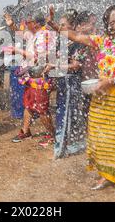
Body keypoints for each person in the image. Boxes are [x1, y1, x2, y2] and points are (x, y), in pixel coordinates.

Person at [47, 4, 115, 195]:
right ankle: (106, 174)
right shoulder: (104, 41)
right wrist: (54, 25)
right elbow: (74, 36)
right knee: (101, 137)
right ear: (109, 27)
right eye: (112, 21)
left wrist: (113, 80)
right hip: (101, 97)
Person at [6, 11, 56, 147]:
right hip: (31, 76)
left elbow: (36, 58)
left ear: (36, 24)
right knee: (28, 104)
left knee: (41, 109)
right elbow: (20, 33)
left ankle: (52, 134)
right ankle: (25, 131)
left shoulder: (44, 35)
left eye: (28, 22)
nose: (25, 25)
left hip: (41, 77)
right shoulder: (34, 34)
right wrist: (11, 26)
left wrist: (18, 52)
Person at [45, 10, 86, 158]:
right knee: (65, 112)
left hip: (72, 82)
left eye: (63, 25)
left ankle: (61, 148)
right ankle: (70, 145)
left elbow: (76, 65)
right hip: (63, 81)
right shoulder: (61, 40)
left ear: (73, 25)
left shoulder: (78, 42)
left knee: (66, 114)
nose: (60, 27)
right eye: (59, 24)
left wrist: (54, 66)